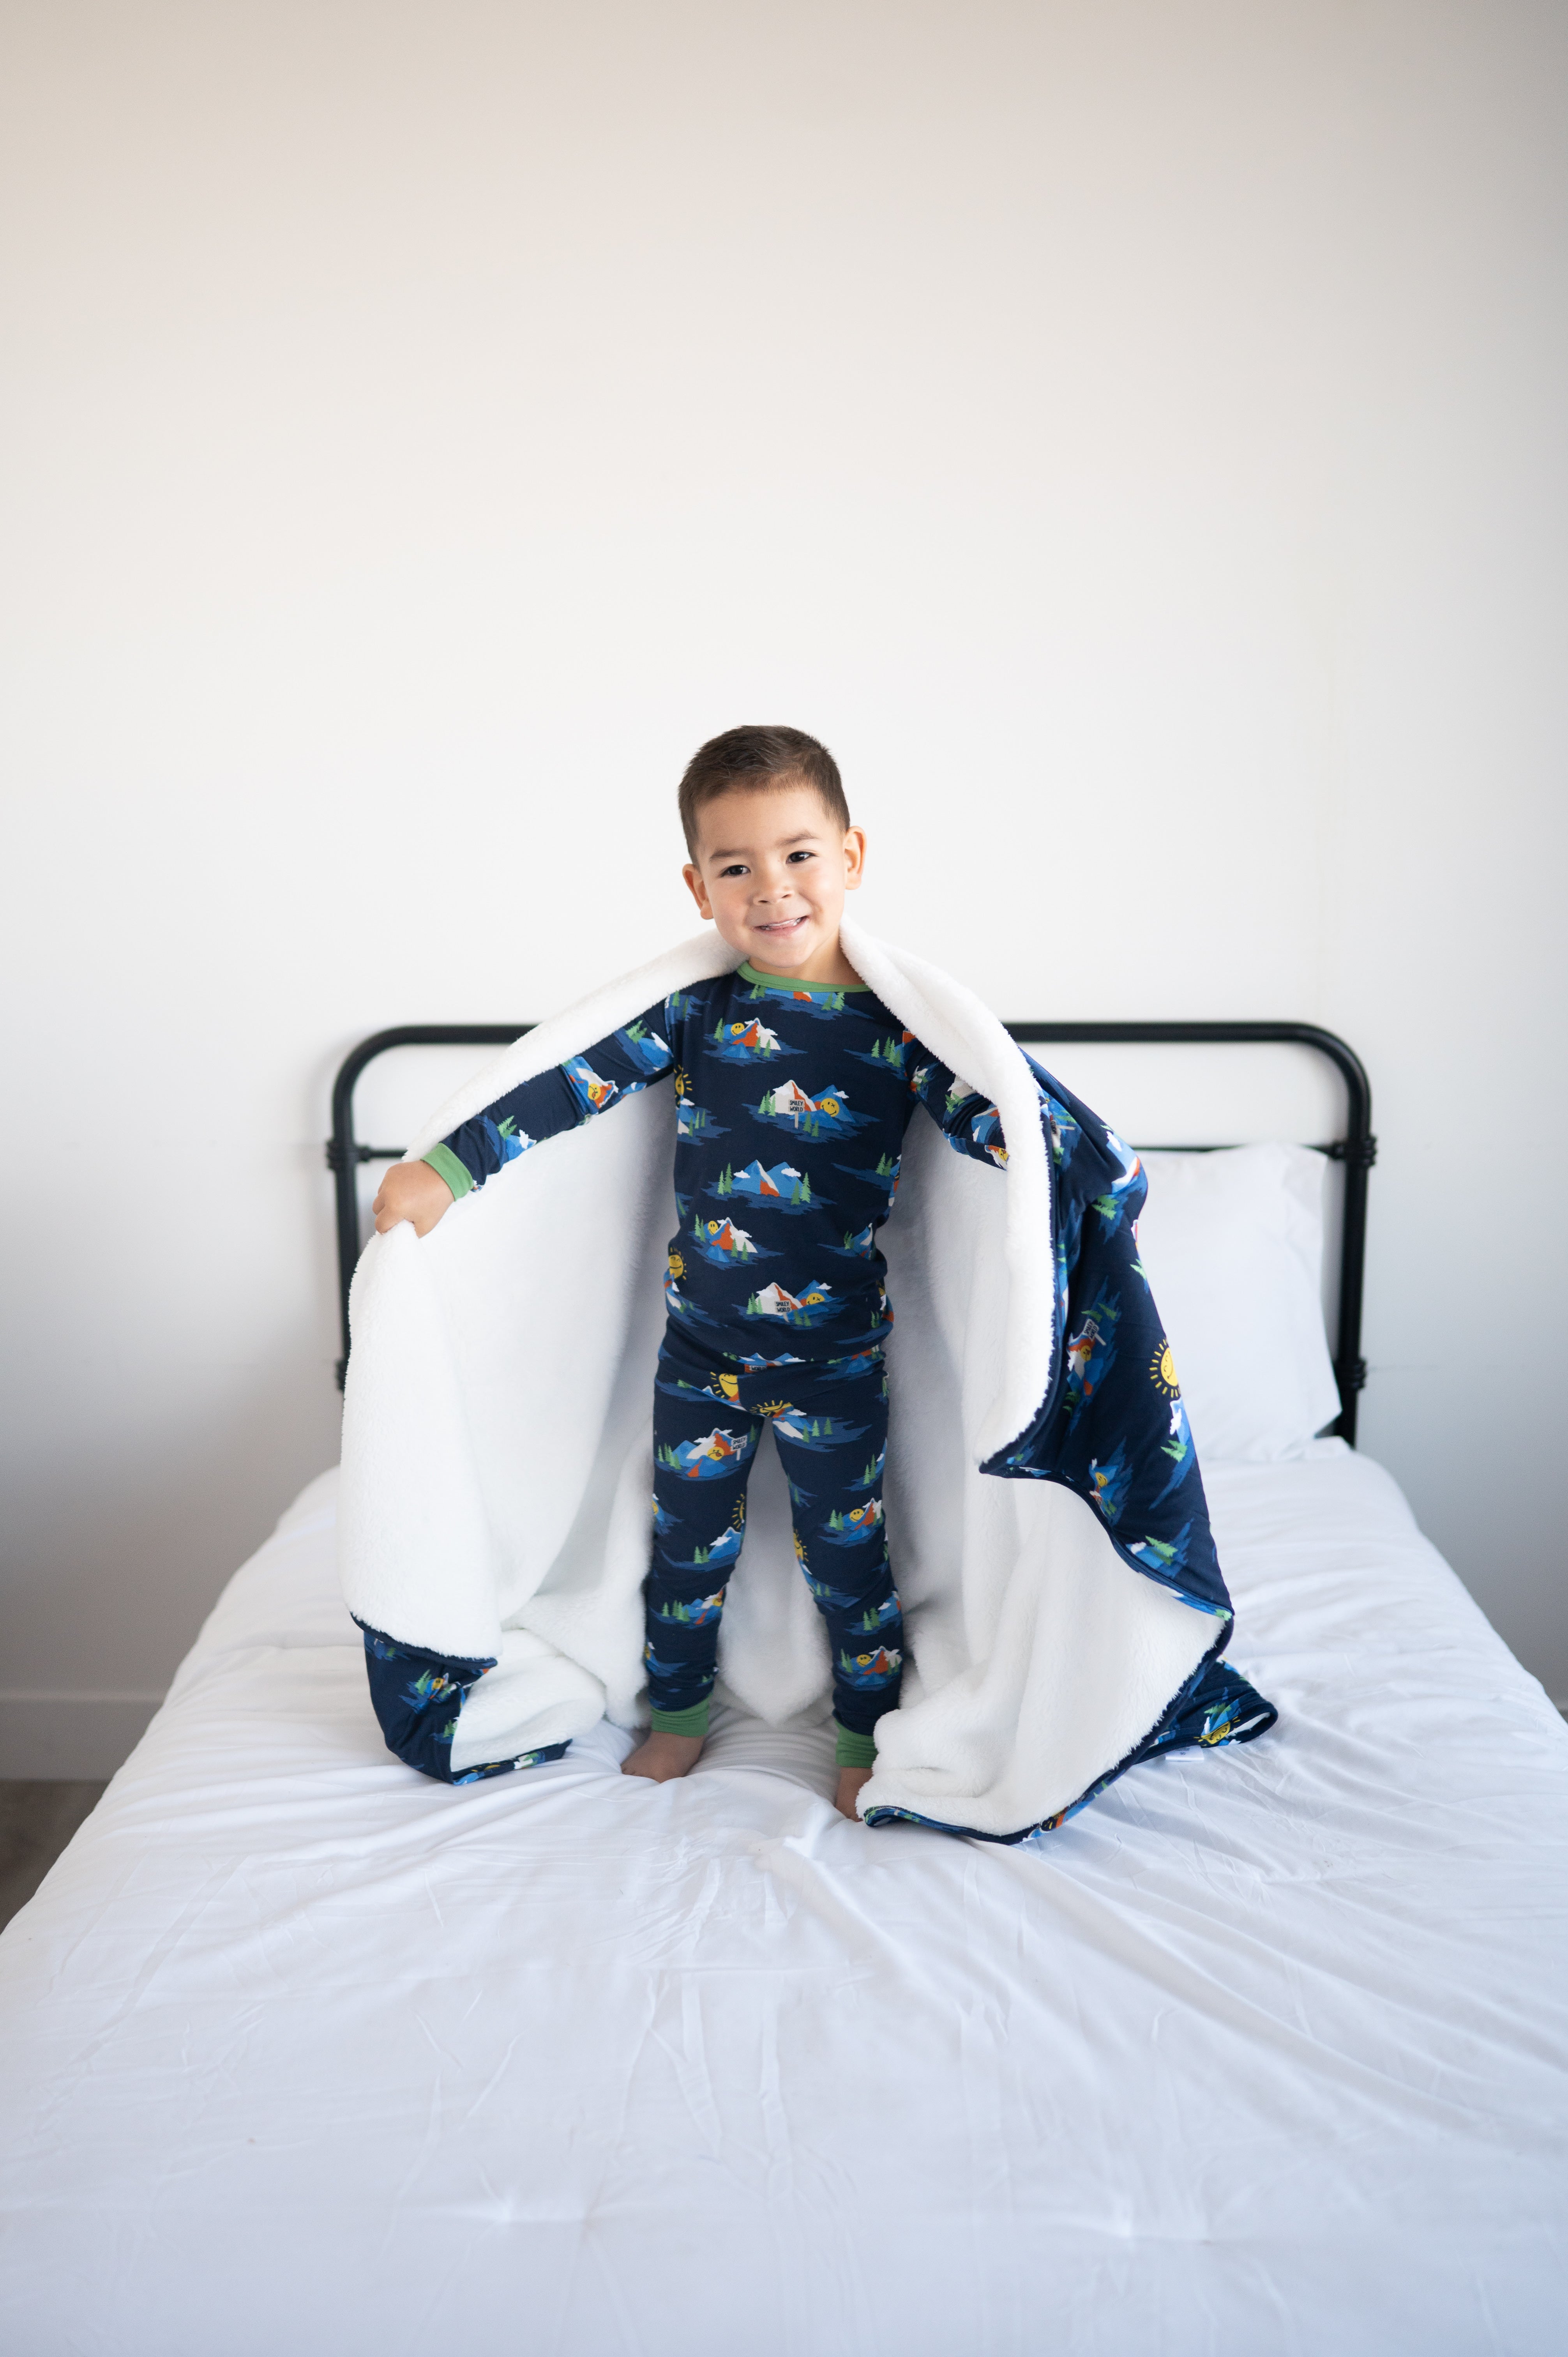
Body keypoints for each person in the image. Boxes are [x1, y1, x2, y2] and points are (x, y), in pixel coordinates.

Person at [372, 726, 1018, 1820]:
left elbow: (991, 1115)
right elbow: (567, 1086)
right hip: (703, 1358)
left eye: (801, 854)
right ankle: (679, 1716)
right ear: (698, 885)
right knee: (686, 1554)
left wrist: (1069, 1171)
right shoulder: (697, 1012)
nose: (774, 888)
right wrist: (446, 1169)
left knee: (850, 1560)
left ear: (853, 858)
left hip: (836, 1363)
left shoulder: (899, 1031)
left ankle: (861, 1729)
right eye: (737, 866)